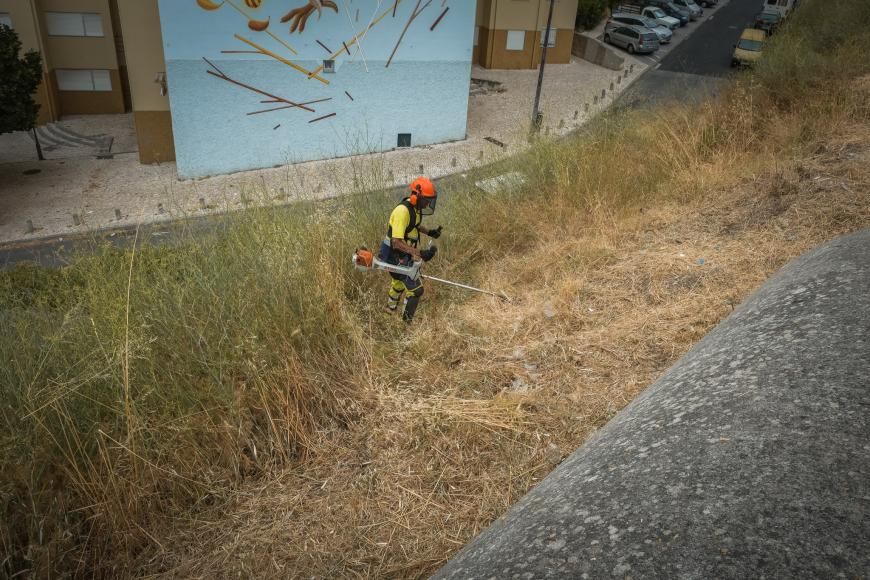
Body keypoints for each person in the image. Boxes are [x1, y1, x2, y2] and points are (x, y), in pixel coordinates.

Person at [379, 176, 442, 323]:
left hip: (402, 253)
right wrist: (420, 253)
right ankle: (405, 323)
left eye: (429, 201)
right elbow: (396, 243)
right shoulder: (402, 211)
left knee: (398, 283)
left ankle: (389, 310)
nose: (427, 205)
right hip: (393, 254)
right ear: (416, 196)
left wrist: (430, 232)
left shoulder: (414, 208)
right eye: (426, 201)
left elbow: (414, 225)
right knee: (416, 289)